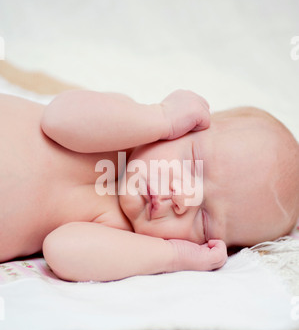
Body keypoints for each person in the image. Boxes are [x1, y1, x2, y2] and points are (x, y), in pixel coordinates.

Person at [0, 89, 298, 281]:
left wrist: (172, 257)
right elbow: (58, 118)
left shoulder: (121, 235)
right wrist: (160, 116)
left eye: (205, 220)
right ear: (186, 128)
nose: (185, 198)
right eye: (195, 164)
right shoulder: (126, 123)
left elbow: (61, 250)